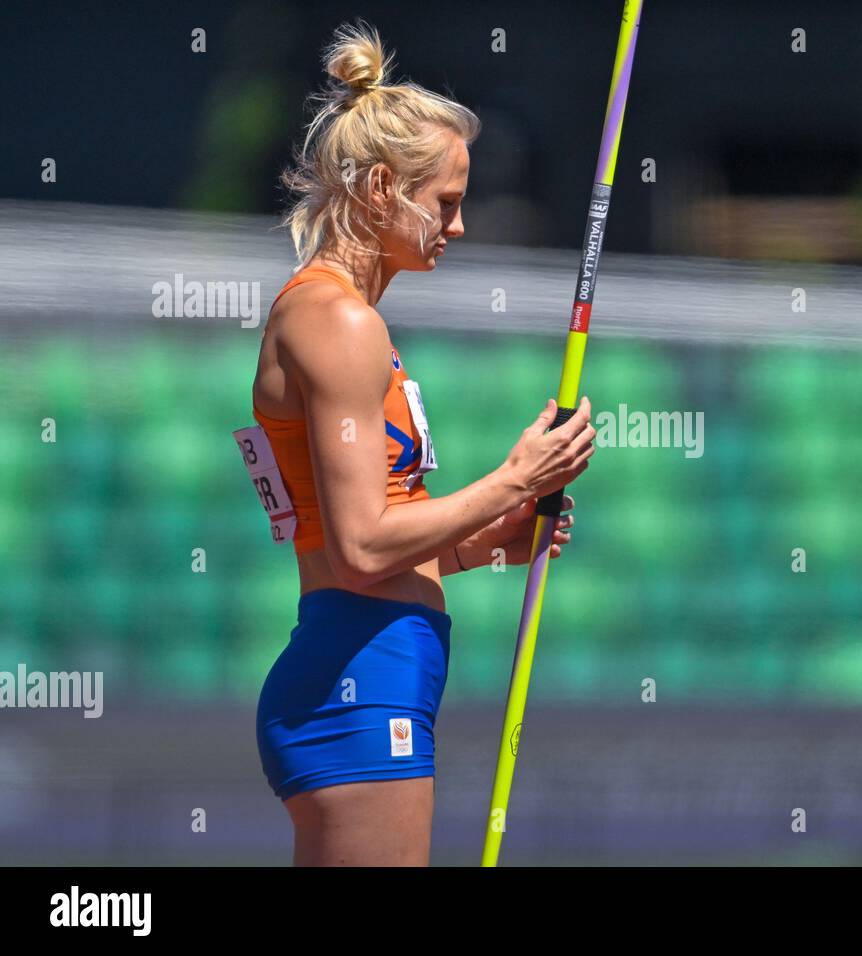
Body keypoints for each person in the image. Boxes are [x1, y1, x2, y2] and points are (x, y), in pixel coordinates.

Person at [246, 22, 595, 865]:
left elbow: (357, 537)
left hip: (369, 669)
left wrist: (484, 546)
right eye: (445, 202)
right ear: (378, 189)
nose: (461, 225)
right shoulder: (338, 320)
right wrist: (514, 480)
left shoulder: (348, 320)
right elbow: (364, 548)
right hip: (358, 684)